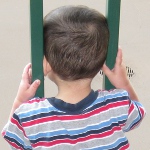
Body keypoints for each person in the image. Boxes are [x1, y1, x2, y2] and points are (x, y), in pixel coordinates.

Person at [2, 5, 145, 150]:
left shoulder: (31, 115)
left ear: (47, 62)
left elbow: (15, 141)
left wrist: (20, 100)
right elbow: (137, 116)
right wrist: (123, 82)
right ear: (102, 61)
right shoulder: (116, 104)